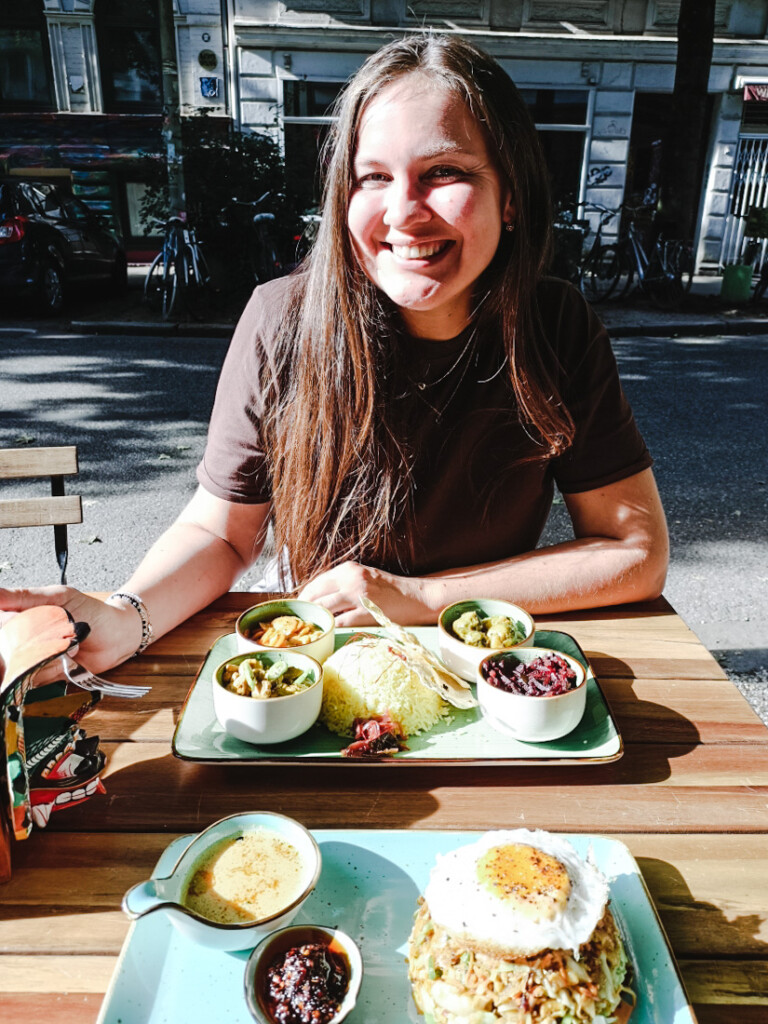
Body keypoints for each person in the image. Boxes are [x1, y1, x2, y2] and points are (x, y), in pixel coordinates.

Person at [0, 34, 668, 675]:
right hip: (320, 663)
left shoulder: (557, 326)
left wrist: (421, 598)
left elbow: (635, 552)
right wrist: (126, 618)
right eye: (373, 176)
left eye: (444, 173)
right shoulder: (281, 320)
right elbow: (224, 534)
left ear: (512, 196)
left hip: (480, 667)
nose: (404, 211)